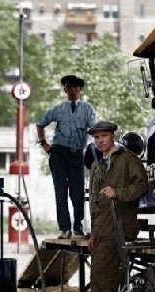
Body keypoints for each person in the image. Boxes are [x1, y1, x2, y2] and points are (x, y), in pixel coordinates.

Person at [83, 121, 148, 292]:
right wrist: (92, 233)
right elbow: (94, 202)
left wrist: (118, 192)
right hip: (102, 225)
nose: (100, 140)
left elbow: (141, 186)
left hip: (121, 224)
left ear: (113, 137)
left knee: (101, 270)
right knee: (106, 271)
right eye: (96, 137)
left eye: (104, 136)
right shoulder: (96, 165)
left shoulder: (128, 159)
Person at [36, 74, 98, 239]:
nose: (72, 91)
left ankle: (78, 226)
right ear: (65, 89)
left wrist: (100, 145)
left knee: (78, 193)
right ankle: (65, 228)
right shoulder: (59, 109)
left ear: (80, 90)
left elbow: (94, 128)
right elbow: (40, 122)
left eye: (75, 87)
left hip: (77, 154)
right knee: (60, 191)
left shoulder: (87, 109)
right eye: (68, 87)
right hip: (58, 154)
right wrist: (44, 143)